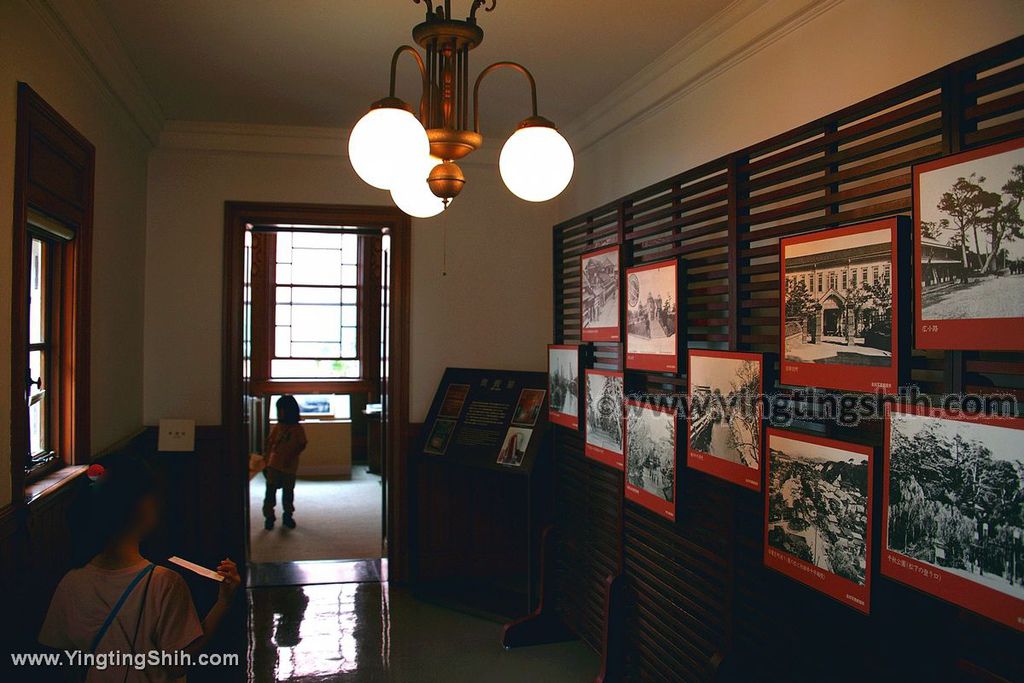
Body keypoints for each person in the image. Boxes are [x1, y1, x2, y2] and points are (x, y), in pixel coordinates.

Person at [38, 452, 241, 682]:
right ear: (142, 507)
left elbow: (63, 659)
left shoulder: (71, 581)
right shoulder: (164, 583)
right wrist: (223, 603)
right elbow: (176, 666)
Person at [263, 395, 308, 530]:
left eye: (282, 410)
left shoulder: (297, 429)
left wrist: (291, 456)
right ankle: (269, 516)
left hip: (289, 466)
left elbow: (302, 444)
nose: (280, 413)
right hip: (274, 464)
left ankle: (287, 515)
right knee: (270, 491)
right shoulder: (278, 427)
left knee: (288, 493)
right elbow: (270, 443)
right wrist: (266, 460)